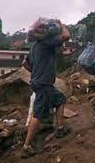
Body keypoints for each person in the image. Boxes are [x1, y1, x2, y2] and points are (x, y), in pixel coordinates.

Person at [21, 21, 71, 158]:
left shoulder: (35, 47)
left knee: (60, 99)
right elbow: (66, 36)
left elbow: (24, 63)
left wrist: (36, 71)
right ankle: (26, 146)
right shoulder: (47, 42)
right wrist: (60, 23)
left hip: (43, 83)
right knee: (37, 115)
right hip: (43, 84)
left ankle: (60, 129)